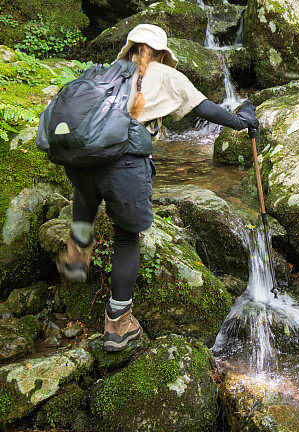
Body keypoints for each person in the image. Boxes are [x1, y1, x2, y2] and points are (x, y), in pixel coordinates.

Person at [56, 23, 258, 352]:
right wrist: (242, 118)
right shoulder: (166, 75)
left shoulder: (108, 73)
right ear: (162, 53)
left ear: (129, 47)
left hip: (81, 164)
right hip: (124, 167)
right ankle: (118, 326)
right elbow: (205, 109)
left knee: (87, 189)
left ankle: (77, 251)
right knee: (126, 237)